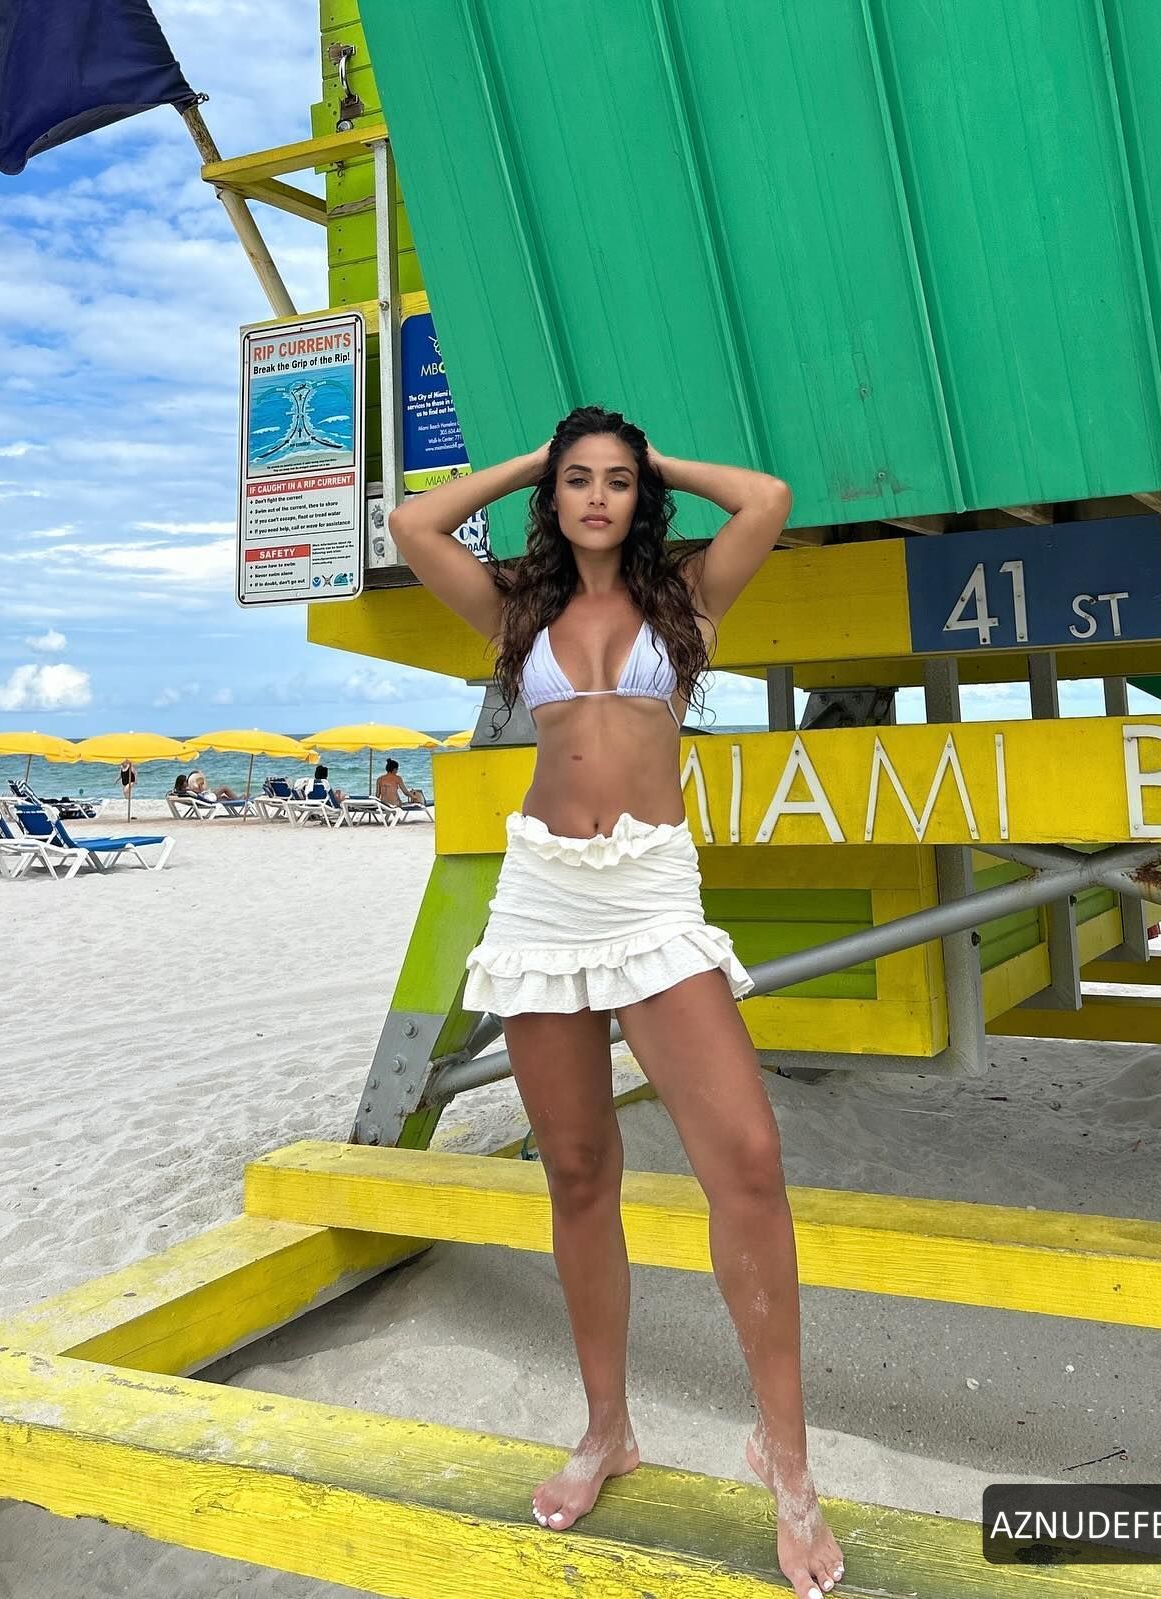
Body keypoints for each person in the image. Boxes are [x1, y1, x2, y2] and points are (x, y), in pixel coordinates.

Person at [389, 407, 844, 1599]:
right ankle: (607, 1430)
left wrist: (653, 456)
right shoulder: (516, 610)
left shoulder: (686, 598)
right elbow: (412, 523)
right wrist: (533, 460)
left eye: (619, 482)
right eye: (578, 480)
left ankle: (787, 1462)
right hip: (544, 892)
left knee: (748, 1160)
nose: (597, 497)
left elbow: (768, 499)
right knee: (579, 1172)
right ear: (553, 496)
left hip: (649, 890)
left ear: (644, 498)